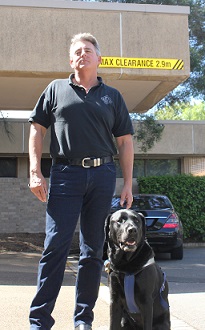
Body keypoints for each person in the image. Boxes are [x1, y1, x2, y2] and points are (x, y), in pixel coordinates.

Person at [28, 32, 134, 330]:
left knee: (92, 251)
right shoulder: (56, 89)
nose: (82, 54)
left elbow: (125, 142)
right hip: (64, 175)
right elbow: (37, 129)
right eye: (77, 50)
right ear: (70, 59)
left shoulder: (112, 96)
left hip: (102, 176)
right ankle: (39, 321)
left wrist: (127, 183)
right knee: (55, 247)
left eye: (88, 50)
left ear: (98, 58)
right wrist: (35, 172)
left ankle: (83, 320)